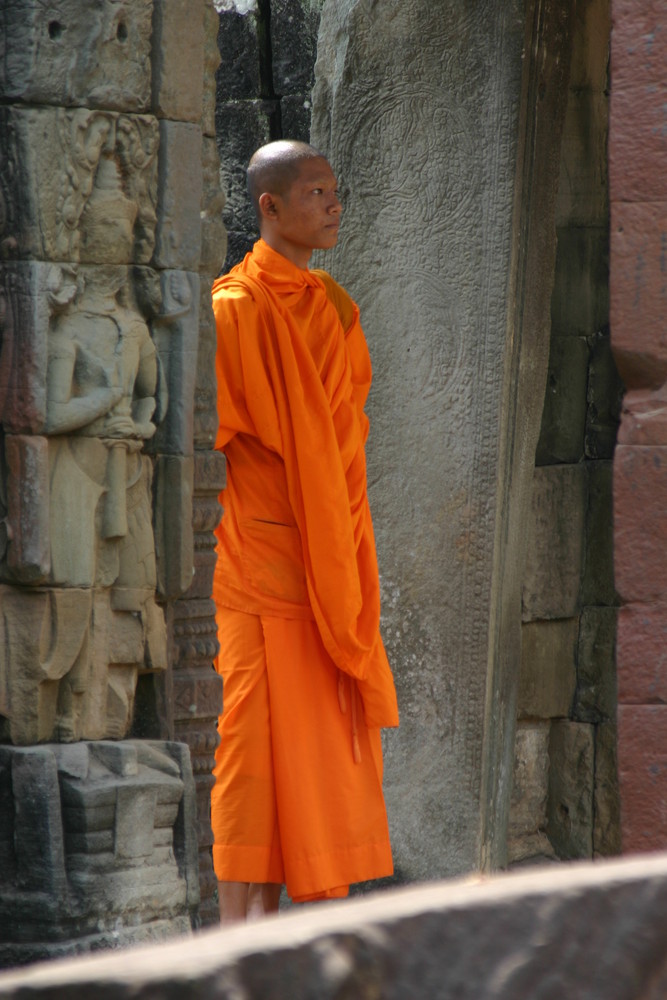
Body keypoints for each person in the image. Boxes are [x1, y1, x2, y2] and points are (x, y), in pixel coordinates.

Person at [210, 140, 399, 924]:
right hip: (261, 564)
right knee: (251, 751)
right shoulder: (234, 309)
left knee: (317, 751)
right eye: (315, 192)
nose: (332, 204)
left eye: (334, 190)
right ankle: (230, 937)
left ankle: (283, 936)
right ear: (270, 207)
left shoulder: (335, 307)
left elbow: (343, 443)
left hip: (329, 556)